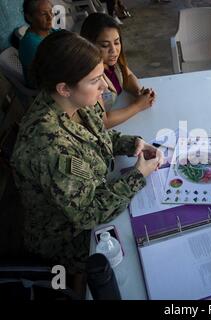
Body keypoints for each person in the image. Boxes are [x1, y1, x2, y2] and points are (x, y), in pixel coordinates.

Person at [11, 30, 163, 277]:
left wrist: (133, 143)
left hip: (95, 201)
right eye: (95, 80)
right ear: (64, 88)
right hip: (70, 239)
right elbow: (88, 213)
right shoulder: (48, 146)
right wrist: (137, 175)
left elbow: (97, 137)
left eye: (101, 75)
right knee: (150, 252)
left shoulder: (74, 103)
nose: (104, 86)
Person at [80, 12, 155, 129]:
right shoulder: (89, 76)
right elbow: (102, 122)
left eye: (116, 42)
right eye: (105, 45)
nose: (114, 51)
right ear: (88, 44)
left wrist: (139, 92)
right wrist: (138, 106)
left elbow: (127, 76)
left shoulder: (113, 62)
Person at [19, 0, 56, 86]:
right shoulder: (32, 44)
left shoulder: (49, 31)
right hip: (41, 85)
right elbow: (53, 72)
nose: (50, 17)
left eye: (51, 12)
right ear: (29, 17)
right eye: (43, 14)